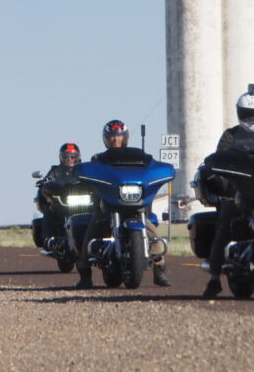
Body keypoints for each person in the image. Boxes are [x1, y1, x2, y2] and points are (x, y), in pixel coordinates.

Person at [202, 83, 254, 299]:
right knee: (225, 222)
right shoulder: (230, 136)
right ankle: (214, 278)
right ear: (240, 113)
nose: (251, 117)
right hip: (240, 190)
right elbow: (219, 158)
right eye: (248, 113)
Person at [75, 120, 171, 289]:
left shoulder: (138, 158)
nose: (115, 140)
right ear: (106, 139)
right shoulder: (99, 159)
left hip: (135, 204)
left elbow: (151, 167)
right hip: (107, 205)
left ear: (125, 137)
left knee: (153, 231)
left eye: (119, 136)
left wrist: (161, 171)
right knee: (92, 229)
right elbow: (89, 171)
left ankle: (159, 269)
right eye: (112, 137)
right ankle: (84, 274)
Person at [36, 142, 82, 248]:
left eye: (73, 157)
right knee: (50, 209)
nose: (70, 159)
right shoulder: (55, 170)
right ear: (61, 158)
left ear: (78, 157)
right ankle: (48, 238)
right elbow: (46, 182)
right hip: (61, 202)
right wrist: (44, 182)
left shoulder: (83, 170)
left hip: (82, 201)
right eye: (66, 157)